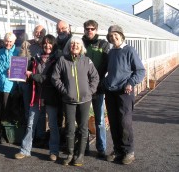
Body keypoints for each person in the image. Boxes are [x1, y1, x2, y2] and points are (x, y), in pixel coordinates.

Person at [52, 36, 99, 166]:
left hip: (85, 100)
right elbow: (55, 78)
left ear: (81, 46)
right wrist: (65, 91)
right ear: (69, 46)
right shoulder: (63, 60)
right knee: (70, 128)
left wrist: (90, 91)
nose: (74, 45)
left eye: (77, 44)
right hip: (68, 100)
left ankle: (80, 155)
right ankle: (70, 153)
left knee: (83, 128)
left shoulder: (87, 61)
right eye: (72, 43)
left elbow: (95, 77)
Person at [103, 25, 145, 165]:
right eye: (111, 36)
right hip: (111, 91)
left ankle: (129, 151)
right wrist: (105, 83)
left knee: (124, 122)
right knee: (113, 122)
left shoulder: (129, 50)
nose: (113, 38)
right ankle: (118, 149)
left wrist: (130, 83)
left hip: (124, 92)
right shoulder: (111, 53)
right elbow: (107, 71)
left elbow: (140, 71)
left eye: (116, 35)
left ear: (121, 35)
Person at [15, 34, 60, 161]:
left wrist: (33, 75)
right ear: (41, 45)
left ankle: (54, 151)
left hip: (50, 97)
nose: (47, 45)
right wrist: (16, 74)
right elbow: (26, 73)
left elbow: (49, 79)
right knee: (30, 124)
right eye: (45, 43)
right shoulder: (36, 58)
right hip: (36, 95)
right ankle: (25, 150)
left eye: (50, 43)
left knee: (53, 125)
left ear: (53, 44)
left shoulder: (57, 60)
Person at [82, 20, 110, 158]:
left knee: (99, 120)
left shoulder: (103, 44)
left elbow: (106, 64)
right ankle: (84, 147)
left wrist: (97, 81)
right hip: (83, 88)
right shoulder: (80, 44)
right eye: (87, 29)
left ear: (96, 30)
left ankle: (101, 148)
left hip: (98, 88)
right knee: (83, 119)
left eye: (92, 29)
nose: (90, 31)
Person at [19, 25, 47, 146]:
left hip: (41, 83)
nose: (38, 34)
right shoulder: (27, 44)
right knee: (28, 110)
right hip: (27, 82)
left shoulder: (47, 45)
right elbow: (20, 61)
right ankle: (29, 136)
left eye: (41, 32)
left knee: (41, 111)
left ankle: (40, 136)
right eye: (36, 32)